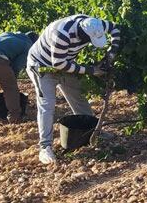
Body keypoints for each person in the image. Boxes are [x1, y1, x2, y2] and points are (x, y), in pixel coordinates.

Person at [27, 15, 120, 164]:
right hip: (42, 67)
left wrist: (112, 51)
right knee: (47, 105)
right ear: (82, 33)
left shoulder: (95, 24)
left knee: (78, 97)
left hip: (65, 63)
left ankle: (94, 132)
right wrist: (91, 71)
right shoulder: (62, 34)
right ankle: (45, 147)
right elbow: (59, 64)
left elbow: (116, 28)